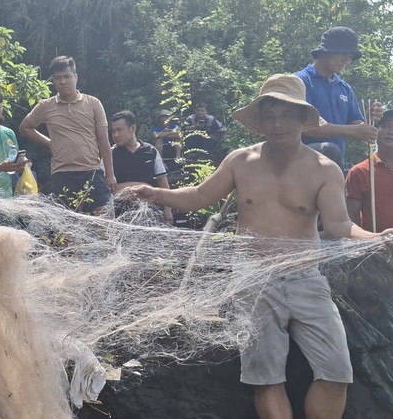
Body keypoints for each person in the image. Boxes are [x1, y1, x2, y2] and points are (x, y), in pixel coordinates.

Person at [132, 74, 393, 419]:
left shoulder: (325, 169)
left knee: (336, 373)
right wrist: (157, 193)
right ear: (260, 120)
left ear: (302, 118)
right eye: (269, 115)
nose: (277, 123)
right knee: (266, 379)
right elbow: (199, 197)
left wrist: (378, 238)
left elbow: (339, 226)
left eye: (286, 114)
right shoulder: (241, 161)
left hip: (306, 279)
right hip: (253, 281)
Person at [19, 56, 115, 214]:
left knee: (104, 216)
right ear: (54, 81)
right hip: (62, 173)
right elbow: (25, 127)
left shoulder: (93, 103)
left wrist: (110, 175)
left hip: (92, 171)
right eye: (58, 78)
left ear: (76, 77)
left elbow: (103, 140)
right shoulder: (46, 106)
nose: (62, 81)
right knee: (70, 227)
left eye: (67, 76)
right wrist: (49, 143)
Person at [295, 26, 382, 170]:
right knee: (329, 149)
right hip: (301, 167)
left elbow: (355, 126)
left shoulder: (344, 88)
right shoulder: (301, 81)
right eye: (343, 54)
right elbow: (304, 127)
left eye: (350, 58)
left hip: (333, 169)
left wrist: (368, 121)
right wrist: (353, 130)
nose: (346, 61)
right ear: (326, 51)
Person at [111, 110, 173, 224]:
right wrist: (137, 186)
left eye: (119, 130)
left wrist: (168, 210)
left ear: (133, 128)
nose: (116, 135)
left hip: (149, 213)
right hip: (119, 215)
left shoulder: (151, 151)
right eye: (113, 131)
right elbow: (102, 185)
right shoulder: (111, 154)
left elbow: (163, 182)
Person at [346, 109, 393, 232]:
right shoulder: (360, 171)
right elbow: (352, 220)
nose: (390, 131)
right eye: (385, 126)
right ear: (375, 133)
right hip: (376, 247)